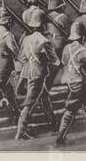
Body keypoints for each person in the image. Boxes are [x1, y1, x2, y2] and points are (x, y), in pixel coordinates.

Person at [14, 9, 60, 140]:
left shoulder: (26, 39)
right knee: (30, 102)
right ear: (43, 24)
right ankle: (21, 131)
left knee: (44, 96)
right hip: (39, 72)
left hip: (28, 70)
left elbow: (21, 58)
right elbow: (55, 60)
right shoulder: (44, 40)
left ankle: (53, 122)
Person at [55, 21, 86, 146]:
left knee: (85, 102)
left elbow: (64, 62)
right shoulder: (83, 51)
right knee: (70, 110)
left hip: (68, 79)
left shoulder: (66, 48)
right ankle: (60, 137)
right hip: (79, 81)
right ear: (83, 36)